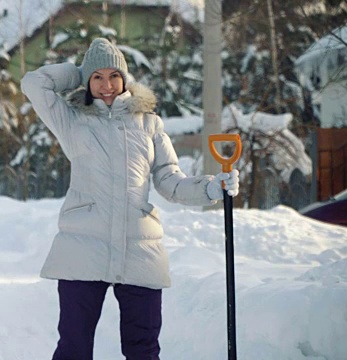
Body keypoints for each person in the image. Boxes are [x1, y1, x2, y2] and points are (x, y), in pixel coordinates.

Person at [20, 38, 239, 360]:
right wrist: (79, 72)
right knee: (74, 348)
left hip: (139, 248)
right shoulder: (71, 120)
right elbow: (34, 82)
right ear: (87, 81)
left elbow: (170, 180)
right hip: (83, 246)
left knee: (144, 349)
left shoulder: (149, 124)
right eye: (97, 77)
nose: (106, 85)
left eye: (113, 76)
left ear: (125, 80)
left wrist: (209, 188)